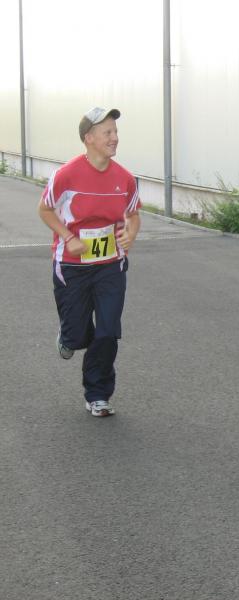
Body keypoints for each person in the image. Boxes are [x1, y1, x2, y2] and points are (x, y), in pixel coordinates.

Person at [38, 107, 141, 416]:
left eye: (115, 132)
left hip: (111, 264)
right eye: (107, 132)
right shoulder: (66, 175)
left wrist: (130, 235)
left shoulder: (124, 178)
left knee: (108, 331)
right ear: (89, 138)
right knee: (78, 335)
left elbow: (133, 215)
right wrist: (68, 237)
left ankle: (98, 394)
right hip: (72, 265)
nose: (114, 137)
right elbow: (45, 209)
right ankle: (68, 335)